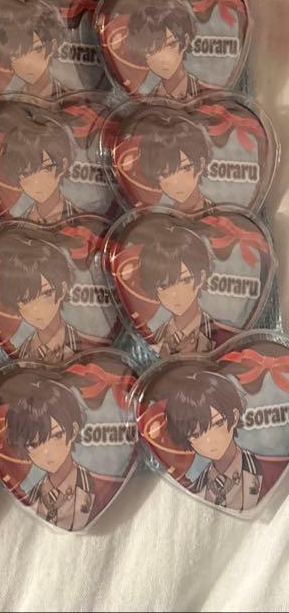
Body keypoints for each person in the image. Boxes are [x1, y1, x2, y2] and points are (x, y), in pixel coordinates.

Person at [163, 369, 267, 511]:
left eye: (217, 423)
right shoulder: (194, 489)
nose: (209, 440)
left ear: (234, 417)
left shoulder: (268, 470)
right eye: (196, 434)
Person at [4, 375, 97, 530]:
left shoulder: (97, 485)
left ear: (73, 431)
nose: (47, 452)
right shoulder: (31, 497)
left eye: (56, 435)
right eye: (33, 444)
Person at [0, 233, 80, 362]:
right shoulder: (20, 356)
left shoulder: (86, 344)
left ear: (62, 290)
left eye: (46, 293)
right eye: (24, 300)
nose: (36, 308)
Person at [138, 224, 217, 356]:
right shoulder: (153, 339)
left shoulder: (222, 334)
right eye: (163, 286)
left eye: (185, 280)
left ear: (201, 278)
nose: (175, 293)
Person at [0, 110, 77, 224]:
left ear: (63, 166)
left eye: (45, 169)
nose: (36, 181)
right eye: (25, 174)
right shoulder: (17, 226)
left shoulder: (83, 223)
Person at [0, 0, 66, 97]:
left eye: (36, 49)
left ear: (53, 47)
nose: (27, 63)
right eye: (15, 56)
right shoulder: (11, 101)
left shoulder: (71, 99)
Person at [121, 0, 201, 99]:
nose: (163, 58)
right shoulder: (147, 102)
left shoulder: (211, 96)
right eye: (152, 51)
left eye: (170, 45)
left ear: (185, 41)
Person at [134, 111, 212, 213]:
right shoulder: (153, 214)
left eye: (185, 168)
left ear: (201, 164)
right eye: (164, 174)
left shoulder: (221, 216)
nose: (176, 181)